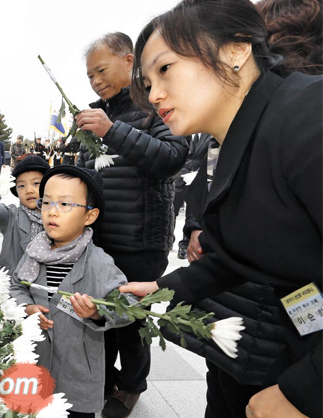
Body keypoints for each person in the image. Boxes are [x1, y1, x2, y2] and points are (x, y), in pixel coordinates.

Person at [120, 1, 322, 418]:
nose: (154, 94)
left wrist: (304, 392)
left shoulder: (307, 117)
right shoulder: (237, 138)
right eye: (146, 81)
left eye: (165, 69)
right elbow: (251, 251)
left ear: (235, 50)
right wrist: (167, 289)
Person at [74, 32, 189, 418]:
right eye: (90, 75)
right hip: (101, 238)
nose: (95, 81)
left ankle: (132, 385)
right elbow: (86, 176)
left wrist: (112, 130)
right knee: (100, 314)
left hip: (141, 240)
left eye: (101, 70)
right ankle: (103, 380)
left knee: (131, 322)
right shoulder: (96, 117)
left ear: (129, 61)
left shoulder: (154, 104)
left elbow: (171, 157)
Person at [9, 165, 135, 417]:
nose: (52, 211)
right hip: (36, 366)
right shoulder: (34, 252)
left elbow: (128, 304)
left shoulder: (98, 262)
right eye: (46, 203)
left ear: (89, 216)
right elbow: (16, 285)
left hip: (78, 376)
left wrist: (99, 312)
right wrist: (27, 306)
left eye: (65, 204)